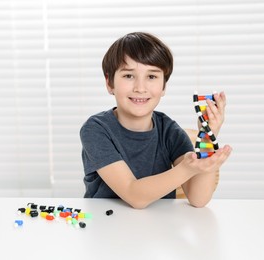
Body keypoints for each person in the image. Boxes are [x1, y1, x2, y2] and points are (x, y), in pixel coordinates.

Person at [80, 32, 232, 209]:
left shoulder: (170, 131)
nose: (140, 88)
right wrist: (187, 168)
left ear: (164, 86)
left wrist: (208, 136)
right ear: (109, 83)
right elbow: (133, 194)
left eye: (151, 77)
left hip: (160, 227)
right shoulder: (96, 130)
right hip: (106, 223)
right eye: (129, 76)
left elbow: (198, 199)